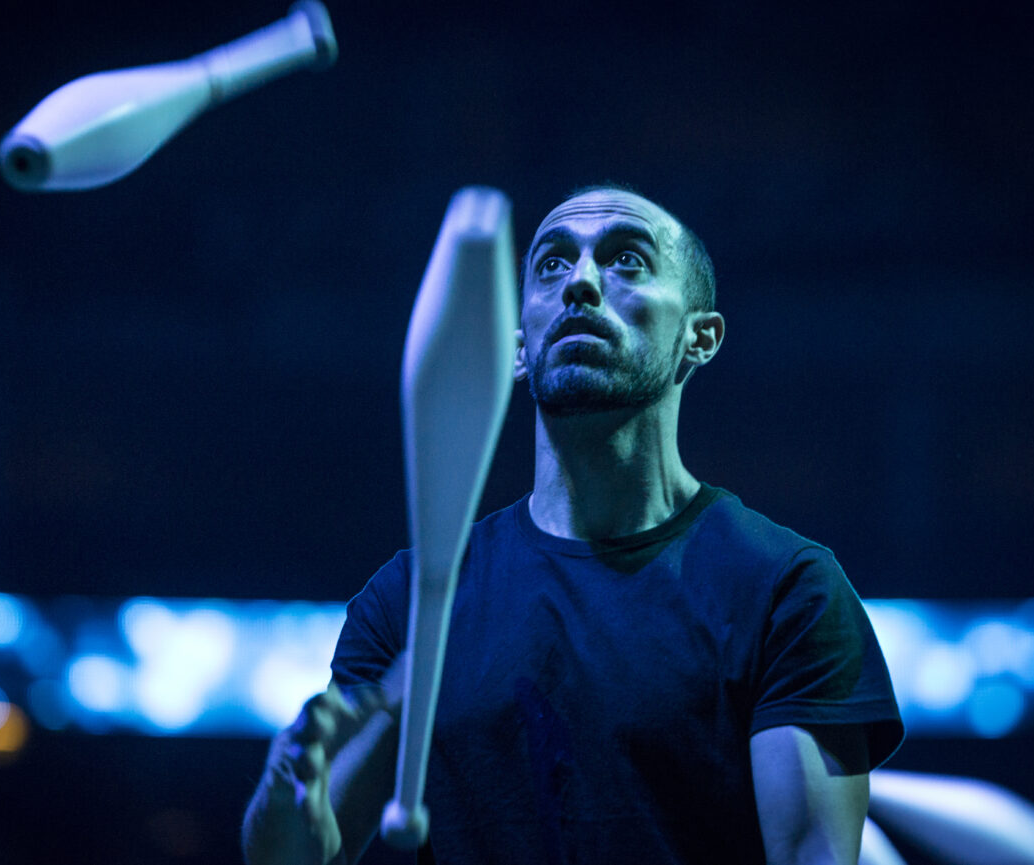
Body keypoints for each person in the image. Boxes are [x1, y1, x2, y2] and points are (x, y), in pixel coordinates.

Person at [242, 185, 903, 865]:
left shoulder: (786, 589)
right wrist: (284, 793)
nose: (581, 282)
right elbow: (299, 856)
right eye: (553, 264)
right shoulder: (412, 597)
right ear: (519, 346)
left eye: (627, 259)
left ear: (699, 337)